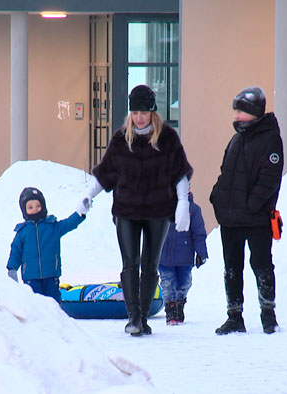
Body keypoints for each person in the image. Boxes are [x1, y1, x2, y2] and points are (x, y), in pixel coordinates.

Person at [83, 84, 193, 336]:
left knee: (150, 264)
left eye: (144, 111)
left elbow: (180, 172)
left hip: (158, 210)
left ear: (152, 112)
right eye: (135, 112)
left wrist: (183, 203)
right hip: (127, 210)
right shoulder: (122, 138)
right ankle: (133, 317)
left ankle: (143, 318)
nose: (139, 116)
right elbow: (107, 171)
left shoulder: (167, 138)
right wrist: (89, 195)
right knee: (130, 264)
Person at [209, 86, 284, 335]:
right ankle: (234, 316)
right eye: (236, 111)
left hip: (256, 219)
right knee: (232, 267)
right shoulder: (237, 138)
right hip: (230, 219)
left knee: (262, 265)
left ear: (253, 113)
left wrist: (252, 205)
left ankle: (268, 314)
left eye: (240, 111)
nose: (236, 116)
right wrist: (217, 197)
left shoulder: (270, 139)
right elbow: (225, 172)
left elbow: (269, 180)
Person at [7, 187, 89, 304]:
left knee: (54, 304)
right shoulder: (22, 232)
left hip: (51, 275)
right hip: (31, 278)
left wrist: (80, 212)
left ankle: (57, 322)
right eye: (30, 207)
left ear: (43, 206)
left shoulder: (52, 227)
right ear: (24, 210)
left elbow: (69, 223)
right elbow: (16, 252)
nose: (35, 209)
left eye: (38, 206)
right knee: (35, 305)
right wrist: (12, 269)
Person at [158, 187, 208, 325]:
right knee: (167, 284)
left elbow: (199, 234)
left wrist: (201, 253)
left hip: (184, 257)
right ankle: (171, 310)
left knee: (184, 283)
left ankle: (180, 303)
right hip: (163, 256)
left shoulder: (193, 210)